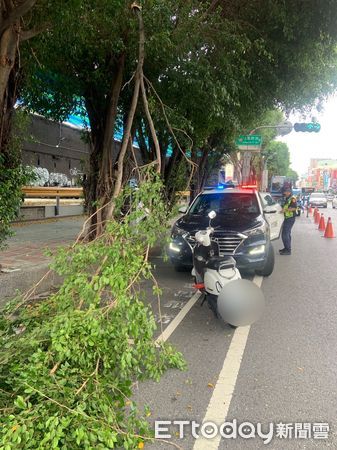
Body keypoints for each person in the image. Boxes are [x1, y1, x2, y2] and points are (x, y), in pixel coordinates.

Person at [279, 187, 298, 255]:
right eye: (285, 192)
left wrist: (285, 210)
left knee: (285, 234)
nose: (285, 193)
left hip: (290, 218)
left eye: (286, 192)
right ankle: (286, 248)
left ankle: (288, 250)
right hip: (287, 218)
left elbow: (294, 208)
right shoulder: (287, 198)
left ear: (289, 192)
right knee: (287, 234)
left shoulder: (292, 199)